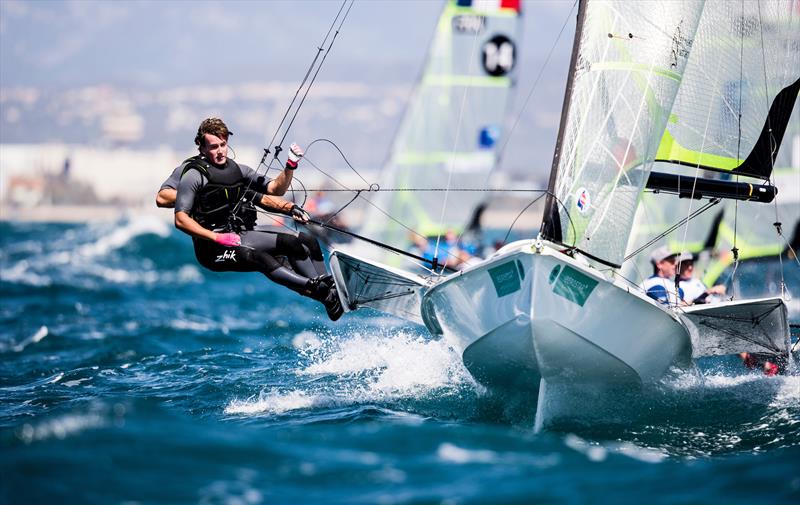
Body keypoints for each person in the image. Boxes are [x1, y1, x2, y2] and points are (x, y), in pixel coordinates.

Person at [171, 117, 343, 321]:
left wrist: (290, 166)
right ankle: (320, 291)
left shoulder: (238, 171)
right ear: (201, 147)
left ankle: (329, 289)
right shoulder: (194, 175)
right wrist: (216, 238)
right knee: (261, 258)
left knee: (298, 241)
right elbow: (180, 219)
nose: (220, 151)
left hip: (239, 235)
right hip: (212, 248)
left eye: (223, 145)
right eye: (214, 146)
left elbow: (274, 189)